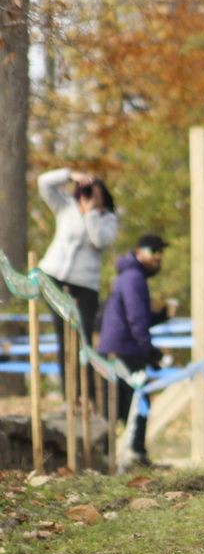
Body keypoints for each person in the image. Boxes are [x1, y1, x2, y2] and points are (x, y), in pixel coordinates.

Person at [37, 167, 119, 395]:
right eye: (85, 191)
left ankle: (86, 394)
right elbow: (43, 182)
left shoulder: (108, 219)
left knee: (82, 339)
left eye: (93, 192)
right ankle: (68, 394)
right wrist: (71, 176)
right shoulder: (66, 208)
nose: (88, 196)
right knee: (63, 337)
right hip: (55, 277)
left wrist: (91, 212)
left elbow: (99, 240)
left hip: (85, 285)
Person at [97, 234, 170, 468]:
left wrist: (161, 316)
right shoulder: (133, 278)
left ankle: (114, 456)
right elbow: (136, 318)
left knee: (120, 403)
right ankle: (131, 455)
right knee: (135, 401)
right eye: (154, 251)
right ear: (139, 251)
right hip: (124, 349)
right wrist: (149, 349)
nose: (158, 257)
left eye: (160, 252)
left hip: (121, 346)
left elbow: (138, 315)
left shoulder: (130, 276)